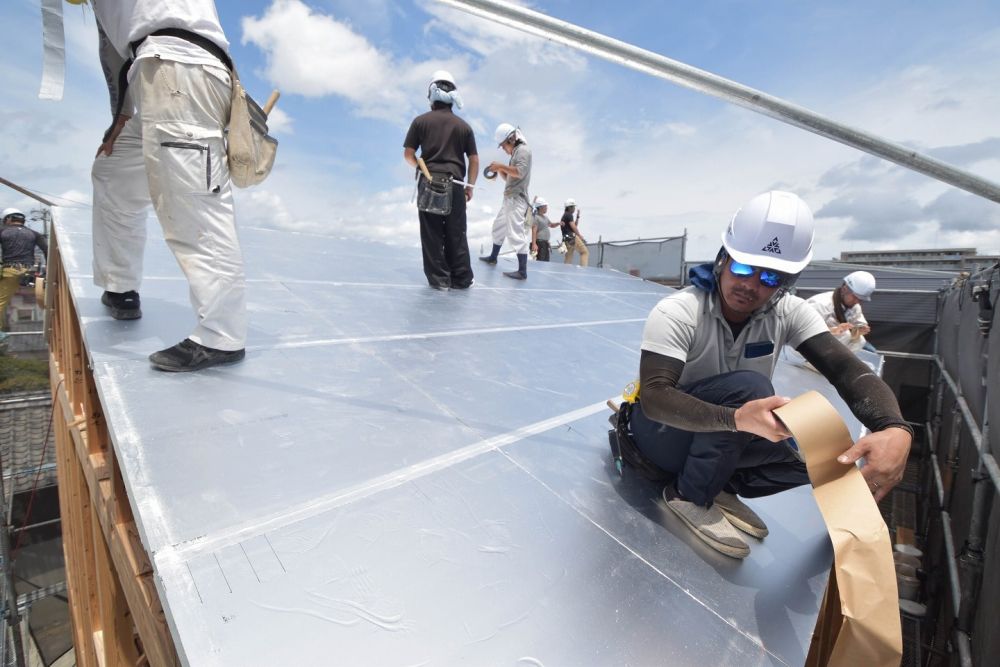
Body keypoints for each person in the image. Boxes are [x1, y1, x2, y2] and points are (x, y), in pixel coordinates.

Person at [618, 191, 911, 559]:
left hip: (719, 437)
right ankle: (688, 494)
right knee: (750, 388)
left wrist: (895, 428)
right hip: (660, 433)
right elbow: (657, 397)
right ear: (723, 259)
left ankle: (716, 483)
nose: (751, 285)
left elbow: (845, 369)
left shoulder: (789, 312)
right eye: (742, 268)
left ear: (787, 281)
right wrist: (735, 419)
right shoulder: (680, 310)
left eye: (770, 276)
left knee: (828, 454)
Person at [89, 0, 246, 372]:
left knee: (194, 208)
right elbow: (115, 47)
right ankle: (120, 287)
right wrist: (122, 116)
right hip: (151, 73)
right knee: (113, 174)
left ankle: (222, 336)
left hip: (179, 71)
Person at [403, 70, 478, 291]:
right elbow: (474, 159)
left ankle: (440, 280)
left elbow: (409, 155)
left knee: (432, 233)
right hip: (455, 185)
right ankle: (462, 279)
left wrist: (422, 167)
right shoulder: (464, 127)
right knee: (456, 231)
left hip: (429, 181)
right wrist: (470, 186)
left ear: (432, 94)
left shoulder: (420, 122)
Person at [479, 123, 532, 280]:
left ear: (511, 139)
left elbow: (520, 172)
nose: (503, 148)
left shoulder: (523, 151)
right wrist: (501, 169)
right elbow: (511, 177)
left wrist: (501, 166)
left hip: (516, 199)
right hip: (509, 198)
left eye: (503, 145)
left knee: (516, 233)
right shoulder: (516, 153)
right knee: (498, 228)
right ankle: (493, 257)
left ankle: (522, 271)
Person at [0, 208, 47, 331]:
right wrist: (47, 273)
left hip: (10, 271)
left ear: (8, 219)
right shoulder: (34, 233)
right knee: (48, 301)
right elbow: (47, 250)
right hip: (31, 273)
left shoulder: (3, 231)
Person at [807, 271, 876, 352]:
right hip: (809, 346)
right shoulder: (819, 304)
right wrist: (834, 330)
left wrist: (860, 329)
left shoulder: (855, 307)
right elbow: (803, 331)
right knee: (845, 335)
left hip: (833, 344)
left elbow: (858, 324)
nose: (857, 302)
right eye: (855, 297)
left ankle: (840, 362)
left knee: (861, 341)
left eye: (861, 299)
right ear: (844, 289)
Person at [560, 199, 589, 267]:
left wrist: (577, 217)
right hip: (571, 236)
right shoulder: (569, 215)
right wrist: (579, 235)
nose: (574, 208)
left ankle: (565, 271)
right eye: (573, 207)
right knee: (584, 252)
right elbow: (574, 227)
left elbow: (574, 225)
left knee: (568, 257)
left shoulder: (565, 215)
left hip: (566, 239)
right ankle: (583, 269)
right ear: (570, 207)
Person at [530, 197, 558, 262]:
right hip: (540, 243)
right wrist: (534, 244)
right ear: (540, 207)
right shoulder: (536, 217)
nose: (546, 208)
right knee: (540, 261)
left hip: (545, 243)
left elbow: (551, 225)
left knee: (546, 262)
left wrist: (558, 223)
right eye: (545, 206)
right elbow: (534, 231)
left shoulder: (545, 217)